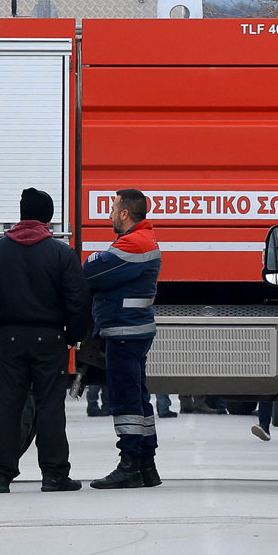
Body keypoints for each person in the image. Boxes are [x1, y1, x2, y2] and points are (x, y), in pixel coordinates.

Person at [0, 188, 91, 494]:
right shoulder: (62, 254)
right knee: (50, 407)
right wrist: (74, 336)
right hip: (50, 339)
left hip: (9, 339)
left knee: (8, 405)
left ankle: (0, 476)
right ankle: (54, 475)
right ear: (48, 217)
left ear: (22, 214)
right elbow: (77, 300)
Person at [84, 188, 162, 489]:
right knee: (139, 398)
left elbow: (90, 271)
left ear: (126, 213)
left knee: (125, 399)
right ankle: (147, 466)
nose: (110, 214)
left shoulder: (134, 243)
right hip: (131, 331)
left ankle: (129, 465)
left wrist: (94, 258)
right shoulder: (142, 240)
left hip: (124, 332)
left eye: (114, 208)